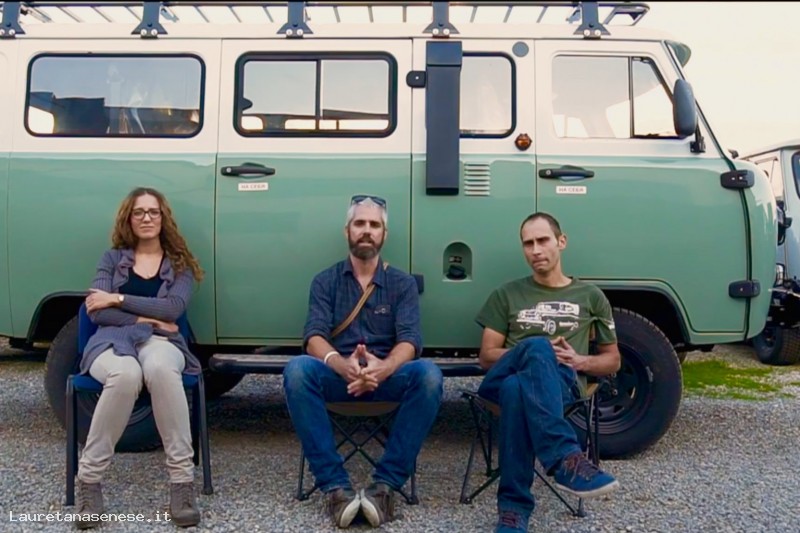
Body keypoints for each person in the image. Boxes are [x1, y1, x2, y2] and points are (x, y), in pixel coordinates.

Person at [283, 195, 443, 529]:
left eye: (374, 225)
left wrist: (384, 368)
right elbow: (313, 336)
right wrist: (341, 365)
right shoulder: (324, 281)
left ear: (384, 233)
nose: (366, 231)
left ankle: (385, 488)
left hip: (388, 377)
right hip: (339, 377)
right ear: (347, 231)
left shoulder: (402, 283)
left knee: (429, 376)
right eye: (360, 224)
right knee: (297, 371)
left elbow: (410, 340)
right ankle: (335, 489)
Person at [475, 212, 621, 533]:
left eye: (543, 241)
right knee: (536, 349)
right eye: (528, 244)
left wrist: (579, 361)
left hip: (561, 385)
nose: (535, 250)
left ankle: (513, 510)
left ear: (561, 241)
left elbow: (613, 361)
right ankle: (563, 457)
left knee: (517, 390)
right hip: (500, 378)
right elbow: (486, 356)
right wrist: (533, 350)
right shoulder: (506, 294)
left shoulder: (590, 296)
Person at [75, 187, 204, 529]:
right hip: (110, 341)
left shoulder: (180, 265)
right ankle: (89, 480)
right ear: (128, 219)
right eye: (139, 212)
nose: (147, 218)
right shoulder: (111, 259)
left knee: (160, 367)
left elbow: (173, 309)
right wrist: (148, 318)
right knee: (125, 374)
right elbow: (96, 311)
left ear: (163, 219)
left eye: (153, 212)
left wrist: (118, 299)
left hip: (163, 342)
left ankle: (182, 483)